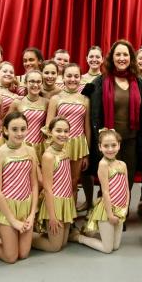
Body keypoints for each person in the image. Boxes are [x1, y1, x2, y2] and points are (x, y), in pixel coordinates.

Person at [82, 39, 142, 200]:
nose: (121, 58)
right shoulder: (100, 82)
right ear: (111, 58)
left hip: (132, 140)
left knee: (128, 178)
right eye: (118, 54)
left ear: (130, 58)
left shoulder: (139, 83)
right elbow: (92, 110)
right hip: (109, 142)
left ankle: (122, 214)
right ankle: (108, 214)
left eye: (125, 54)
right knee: (109, 179)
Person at [0, 112, 38, 263]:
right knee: (11, 257)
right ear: (6, 130)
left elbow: (34, 184)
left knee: (24, 254)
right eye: (14, 129)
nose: (19, 133)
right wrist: (12, 220)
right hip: (7, 207)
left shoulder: (30, 150)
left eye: (23, 129)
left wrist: (32, 214)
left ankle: (5, 240)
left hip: (26, 206)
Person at [69, 128, 129, 253]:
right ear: (100, 147)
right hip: (108, 210)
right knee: (108, 249)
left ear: (119, 145)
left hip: (120, 209)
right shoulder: (103, 164)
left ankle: (99, 233)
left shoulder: (123, 164)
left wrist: (126, 207)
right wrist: (110, 214)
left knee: (116, 247)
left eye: (113, 145)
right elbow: (105, 192)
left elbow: (126, 189)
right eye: (106, 146)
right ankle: (78, 237)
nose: (110, 149)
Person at [45, 63, 90, 202]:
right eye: (69, 76)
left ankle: (71, 216)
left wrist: (87, 154)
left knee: (74, 181)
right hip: (58, 144)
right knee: (56, 180)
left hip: (78, 145)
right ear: (63, 78)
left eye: (76, 76)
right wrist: (50, 149)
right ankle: (55, 213)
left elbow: (86, 127)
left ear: (80, 79)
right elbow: (48, 126)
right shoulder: (55, 99)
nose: (72, 79)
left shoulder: (85, 100)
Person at [32, 116, 76, 252]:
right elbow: (47, 188)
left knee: (63, 243)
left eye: (66, 131)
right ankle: (25, 238)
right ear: (50, 132)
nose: (63, 134)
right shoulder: (48, 156)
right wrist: (52, 216)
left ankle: (44, 234)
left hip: (66, 200)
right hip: (54, 202)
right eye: (58, 131)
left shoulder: (65, 150)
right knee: (54, 247)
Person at [78, 46, 103, 212]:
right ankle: (88, 201)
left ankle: (101, 203)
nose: (94, 59)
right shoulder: (79, 78)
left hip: (101, 125)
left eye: (97, 57)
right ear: (86, 58)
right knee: (85, 169)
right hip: (82, 125)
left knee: (101, 165)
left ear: (102, 59)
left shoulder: (105, 78)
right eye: (91, 56)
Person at [8, 70, 48, 163]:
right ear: (25, 83)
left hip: (41, 146)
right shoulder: (17, 102)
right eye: (32, 81)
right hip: (21, 145)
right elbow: (6, 124)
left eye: (38, 82)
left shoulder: (47, 102)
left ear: (42, 84)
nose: (35, 85)